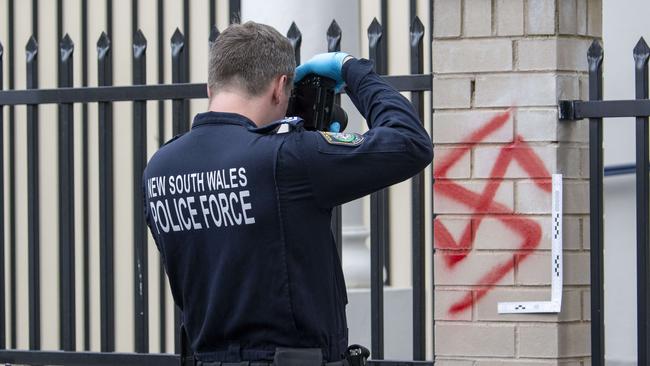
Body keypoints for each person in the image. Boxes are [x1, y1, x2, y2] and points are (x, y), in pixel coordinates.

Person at [143, 21, 432, 365]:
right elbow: (410, 143)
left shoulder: (159, 168)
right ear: (281, 88)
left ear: (211, 87)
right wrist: (353, 70)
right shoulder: (287, 158)